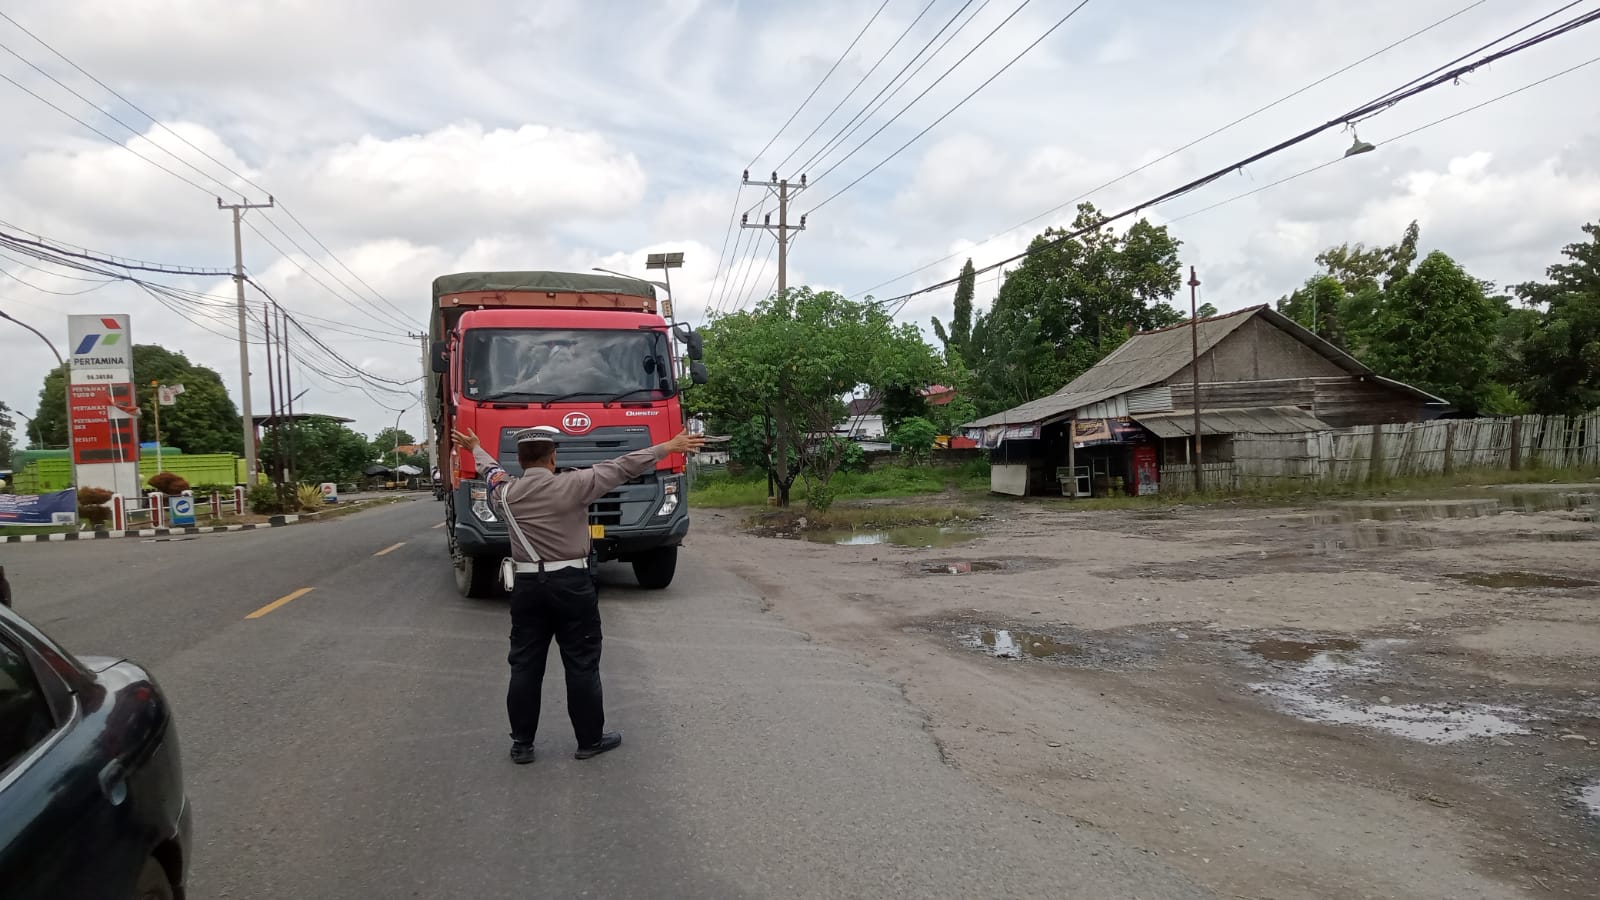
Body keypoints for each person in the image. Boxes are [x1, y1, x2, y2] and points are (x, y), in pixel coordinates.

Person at [452, 424, 705, 764]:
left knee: (525, 666)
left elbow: (491, 471)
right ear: (553, 458)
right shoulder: (574, 485)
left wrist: (476, 448)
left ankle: (522, 744)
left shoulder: (505, 493)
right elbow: (623, 465)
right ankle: (589, 741)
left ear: (522, 461)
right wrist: (668, 446)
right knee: (581, 664)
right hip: (571, 584)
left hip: (527, 588)